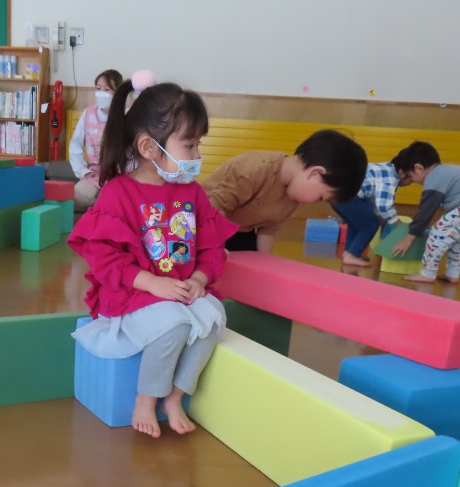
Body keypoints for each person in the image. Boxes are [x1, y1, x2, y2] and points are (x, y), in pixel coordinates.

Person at [68, 75, 238, 439]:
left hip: (180, 290)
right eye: (189, 146)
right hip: (134, 293)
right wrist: (151, 282)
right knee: (174, 325)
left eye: (198, 145)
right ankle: (146, 399)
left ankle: (175, 396)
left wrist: (200, 278)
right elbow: (104, 258)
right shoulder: (119, 192)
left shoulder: (193, 193)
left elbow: (211, 249)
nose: (197, 156)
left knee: (214, 319)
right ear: (148, 147)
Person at [202, 130, 367, 253]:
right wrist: (215, 249)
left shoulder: (293, 196)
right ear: (315, 174)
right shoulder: (255, 169)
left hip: (239, 231)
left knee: (251, 264)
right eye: (321, 197)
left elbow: (268, 230)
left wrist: (265, 266)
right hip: (202, 221)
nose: (314, 202)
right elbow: (215, 207)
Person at [389, 141, 460, 284]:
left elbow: (426, 211)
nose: (412, 181)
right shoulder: (445, 172)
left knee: (438, 232)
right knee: (458, 239)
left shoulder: (434, 177)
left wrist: (409, 238)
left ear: (418, 168)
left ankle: (428, 273)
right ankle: (452, 274)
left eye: (410, 176)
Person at [330, 156, 413, 266]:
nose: (410, 183)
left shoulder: (384, 168)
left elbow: (375, 203)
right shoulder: (390, 179)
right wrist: (398, 224)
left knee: (355, 224)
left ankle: (349, 252)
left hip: (336, 194)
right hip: (348, 196)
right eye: (411, 179)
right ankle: (351, 255)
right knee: (370, 225)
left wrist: (383, 220)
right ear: (402, 173)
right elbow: (384, 207)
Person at [69, 68, 123, 212]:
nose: (101, 93)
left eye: (107, 89)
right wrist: (82, 171)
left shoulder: (126, 116)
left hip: (119, 176)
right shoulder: (88, 113)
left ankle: (103, 205)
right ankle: (101, 206)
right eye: (98, 89)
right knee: (75, 196)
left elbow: (133, 152)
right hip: (94, 175)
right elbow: (75, 145)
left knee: (118, 199)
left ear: (118, 93)